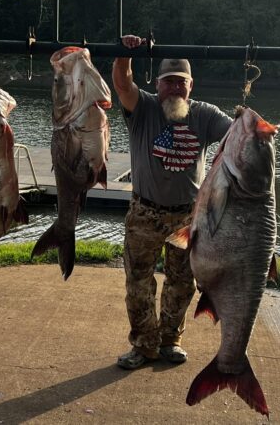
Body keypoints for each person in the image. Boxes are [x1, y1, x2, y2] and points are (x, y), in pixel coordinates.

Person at [112, 34, 232, 370]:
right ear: (157, 84)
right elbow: (123, 84)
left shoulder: (204, 115)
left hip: (188, 216)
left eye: (181, 83)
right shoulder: (144, 107)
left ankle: (170, 340)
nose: (174, 89)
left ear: (191, 85)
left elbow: (234, 134)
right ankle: (143, 344)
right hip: (144, 212)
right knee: (138, 281)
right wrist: (125, 55)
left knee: (182, 283)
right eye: (168, 83)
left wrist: (253, 127)